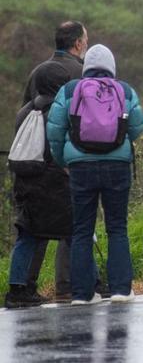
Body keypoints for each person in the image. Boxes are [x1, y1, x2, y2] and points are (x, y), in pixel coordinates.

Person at [46, 44, 143, 304]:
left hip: (80, 167)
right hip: (117, 166)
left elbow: (55, 131)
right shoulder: (124, 90)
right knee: (117, 228)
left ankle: (82, 293)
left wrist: (64, 160)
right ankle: (121, 290)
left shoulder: (69, 90)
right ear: (111, 67)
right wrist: (119, 141)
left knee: (81, 230)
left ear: (86, 66)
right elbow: (137, 126)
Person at [14, 20, 88, 304]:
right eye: (86, 40)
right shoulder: (79, 75)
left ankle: (22, 286)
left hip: (28, 168)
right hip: (61, 168)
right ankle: (69, 284)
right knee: (75, 228)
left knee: (32, 231)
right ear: (78, 44)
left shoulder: (35, 76)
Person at [5, 63, 73, 308]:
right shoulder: (61, 111)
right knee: (76, 233)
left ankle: (18, 289)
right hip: (57, 186)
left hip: (27, 186)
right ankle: (89, 282)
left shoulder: (24, 112)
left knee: (28, 235)